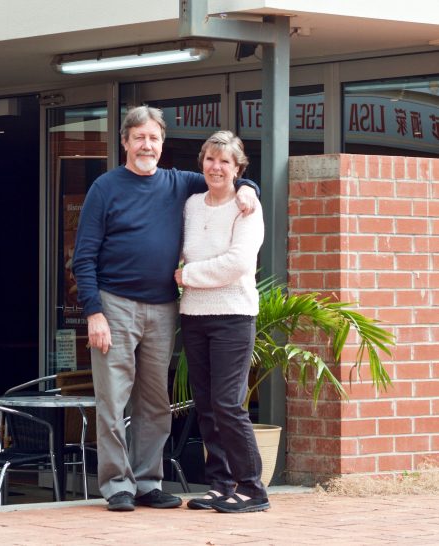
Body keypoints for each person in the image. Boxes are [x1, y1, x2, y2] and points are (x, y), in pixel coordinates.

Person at [72, 106, 260, 512]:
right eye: (138, 137)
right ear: (125, 142)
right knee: (113, 400)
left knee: (155, 401)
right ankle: (117, 485)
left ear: (162, 144)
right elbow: (83, 257)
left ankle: (147, 481)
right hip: (114, 306)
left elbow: (225, 176)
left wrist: (250, 189)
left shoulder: (179, 183)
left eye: (153, 138)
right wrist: (93, 312)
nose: (146, 145)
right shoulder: (105, 188)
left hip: (163, 309)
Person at [174, 130, 269, 513]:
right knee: (207, 405)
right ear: (202, 163)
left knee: (229, 404)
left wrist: (187, 275)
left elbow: (238, 263)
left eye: (225, 161)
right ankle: (221, 484)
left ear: (238, 168)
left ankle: (252, 489)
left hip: (233, 315)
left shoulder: (247, 206)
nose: (216, 167)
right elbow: (179, 248)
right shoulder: (191, 205)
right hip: (194, 316)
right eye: (211, 159)